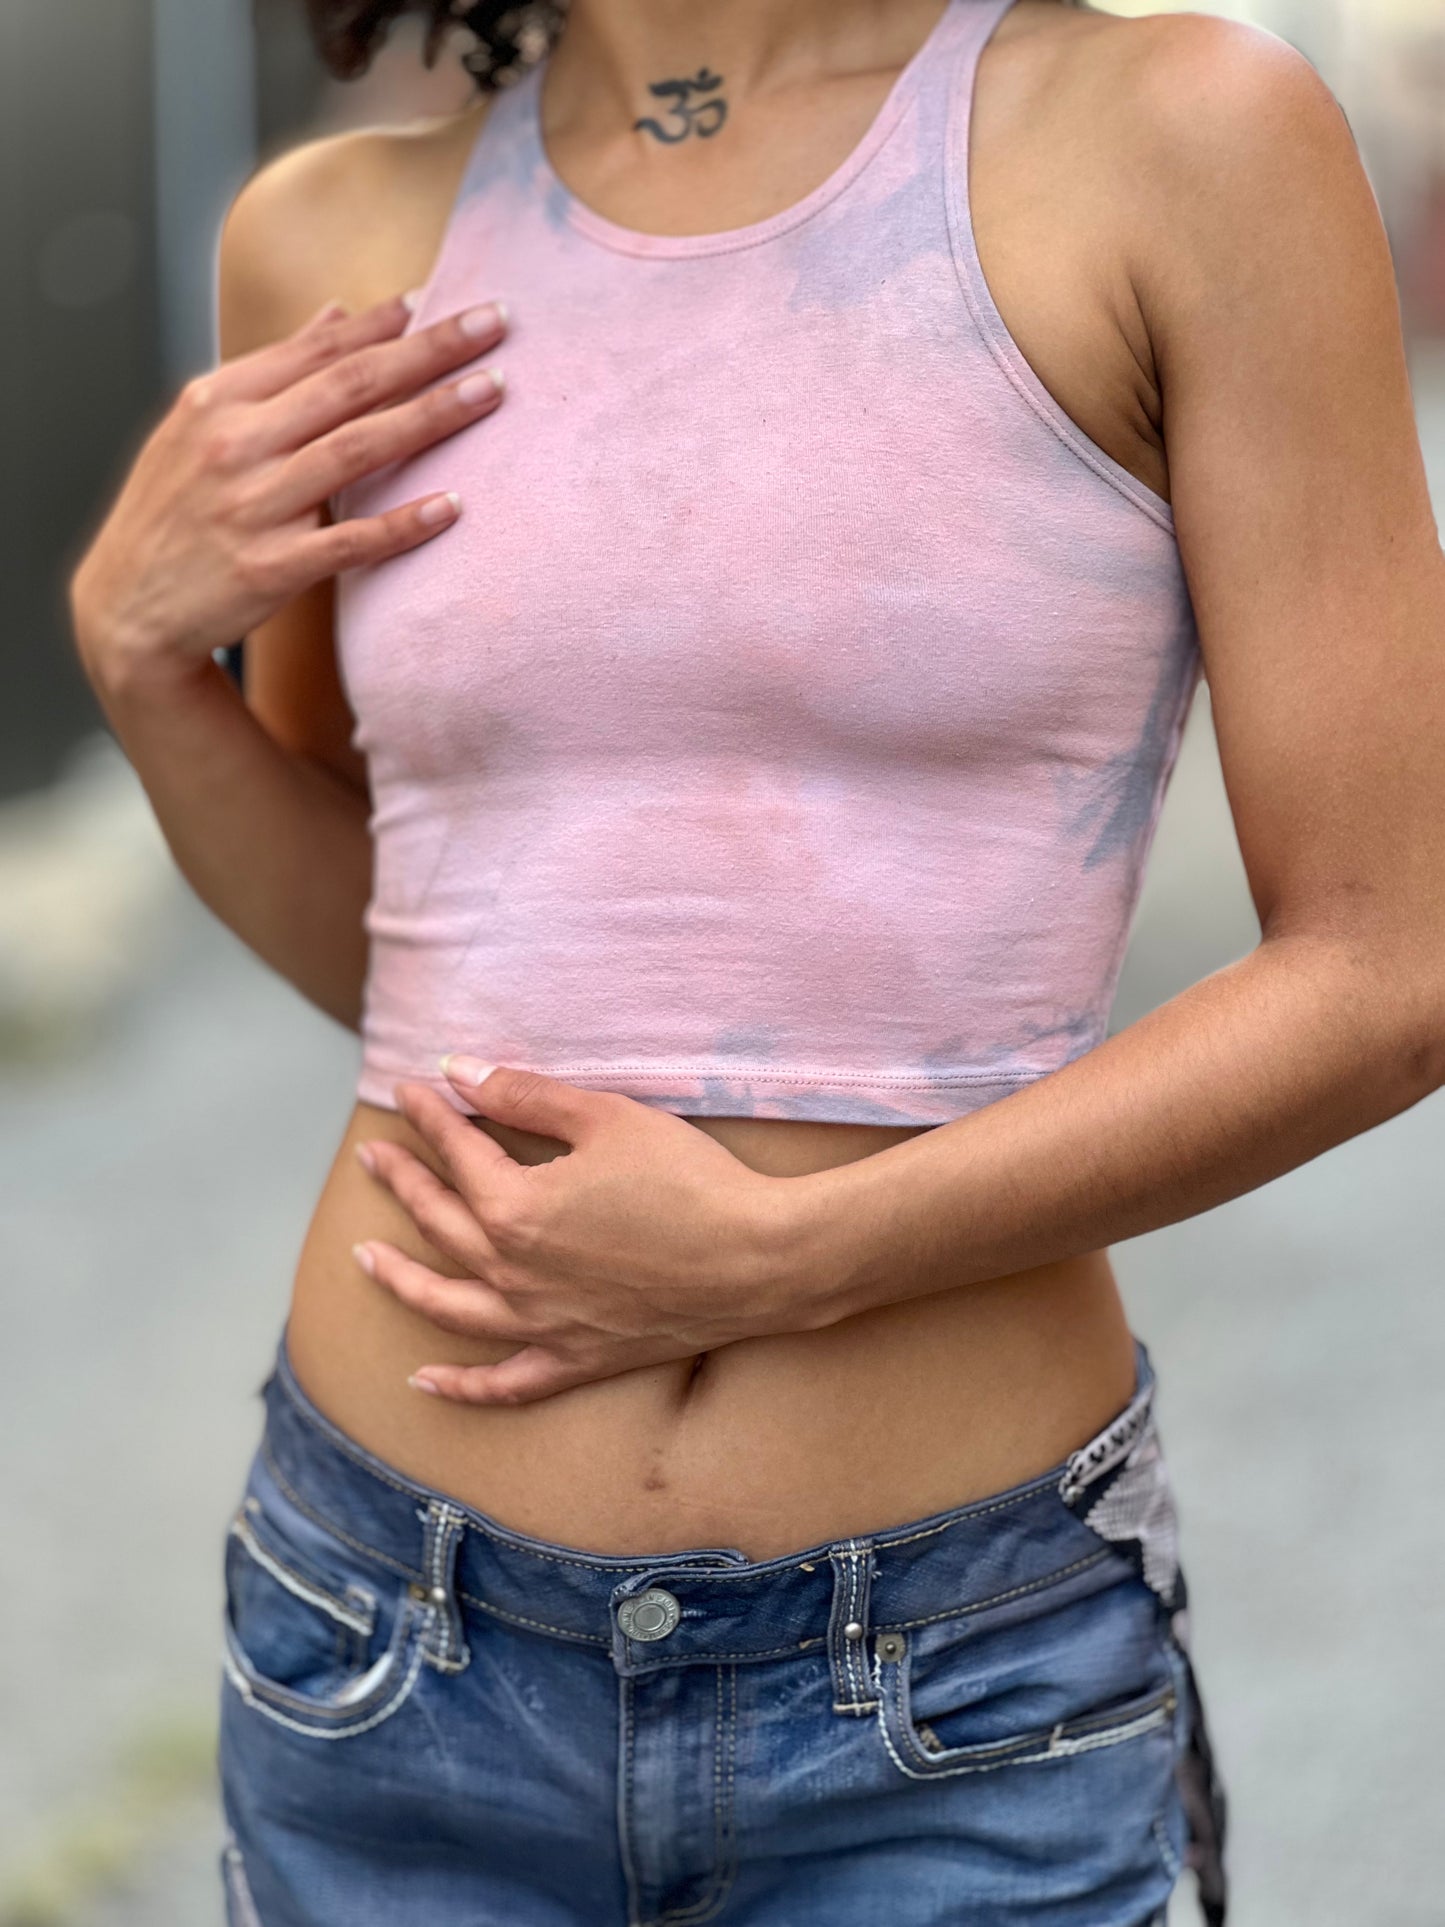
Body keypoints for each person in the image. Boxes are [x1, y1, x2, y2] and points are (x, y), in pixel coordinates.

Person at [68, 0, 1445, 1920]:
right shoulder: (327, 241)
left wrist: (797, 1259)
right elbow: (406, 972)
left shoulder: (1178, 140)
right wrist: (146, 675)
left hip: (949, 1686)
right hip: (388, 1644)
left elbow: (1394, 967)